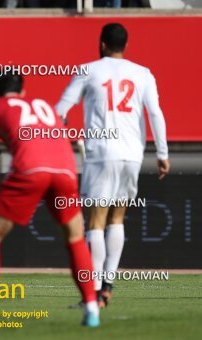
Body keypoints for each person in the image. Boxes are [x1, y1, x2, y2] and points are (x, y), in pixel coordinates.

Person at [0, 73, 99, 328]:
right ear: (23, 93)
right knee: (75, 235)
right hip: (66, 171)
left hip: (30, 170)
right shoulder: (46, 106)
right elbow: (60, 143)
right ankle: (92, 308)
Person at [56, 23, 169, 307]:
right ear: (125, 45)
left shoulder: (88, 70)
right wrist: (162, 153)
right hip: (133, 154)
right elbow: (155, 113)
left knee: (95, 222)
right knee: (117, 219)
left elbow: (61, 110)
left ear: (102, 44)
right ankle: (107, 286)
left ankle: (93, 294)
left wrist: (63, 126)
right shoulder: (143, 73)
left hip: (101, 152)